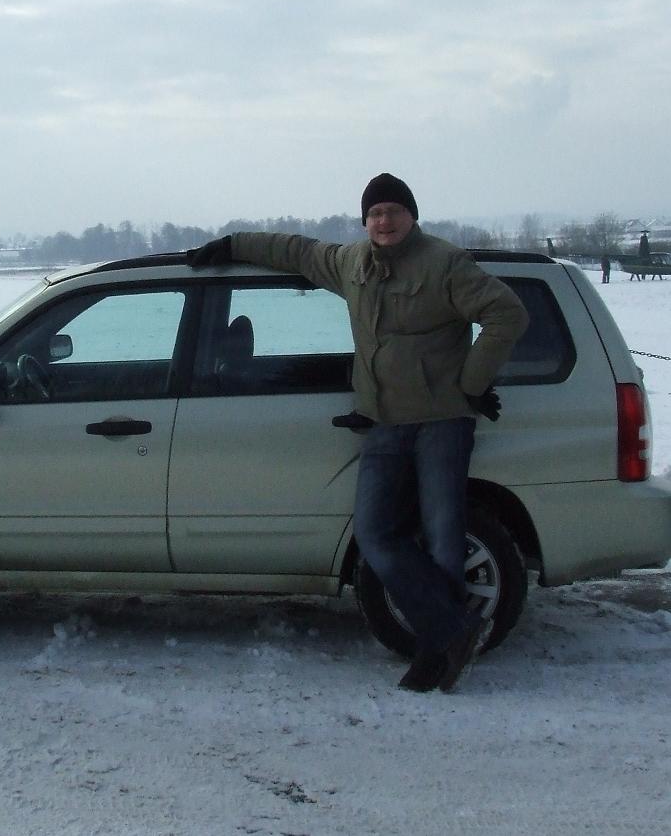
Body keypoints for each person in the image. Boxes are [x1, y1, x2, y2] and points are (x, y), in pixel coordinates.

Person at [187, 173, 528, 692]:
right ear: (365, 222)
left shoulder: (445, 262)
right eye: (375, 213)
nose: (384, 220)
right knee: (374, 533)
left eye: (393, 211)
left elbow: (507, 314)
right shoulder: (352, 263)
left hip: (441, 420)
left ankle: (435, 651)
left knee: (443, 537)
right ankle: (452, 629)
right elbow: (296, 251)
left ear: (412, 215)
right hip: (384, 422)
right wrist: (233, 245)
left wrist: (472, 383)